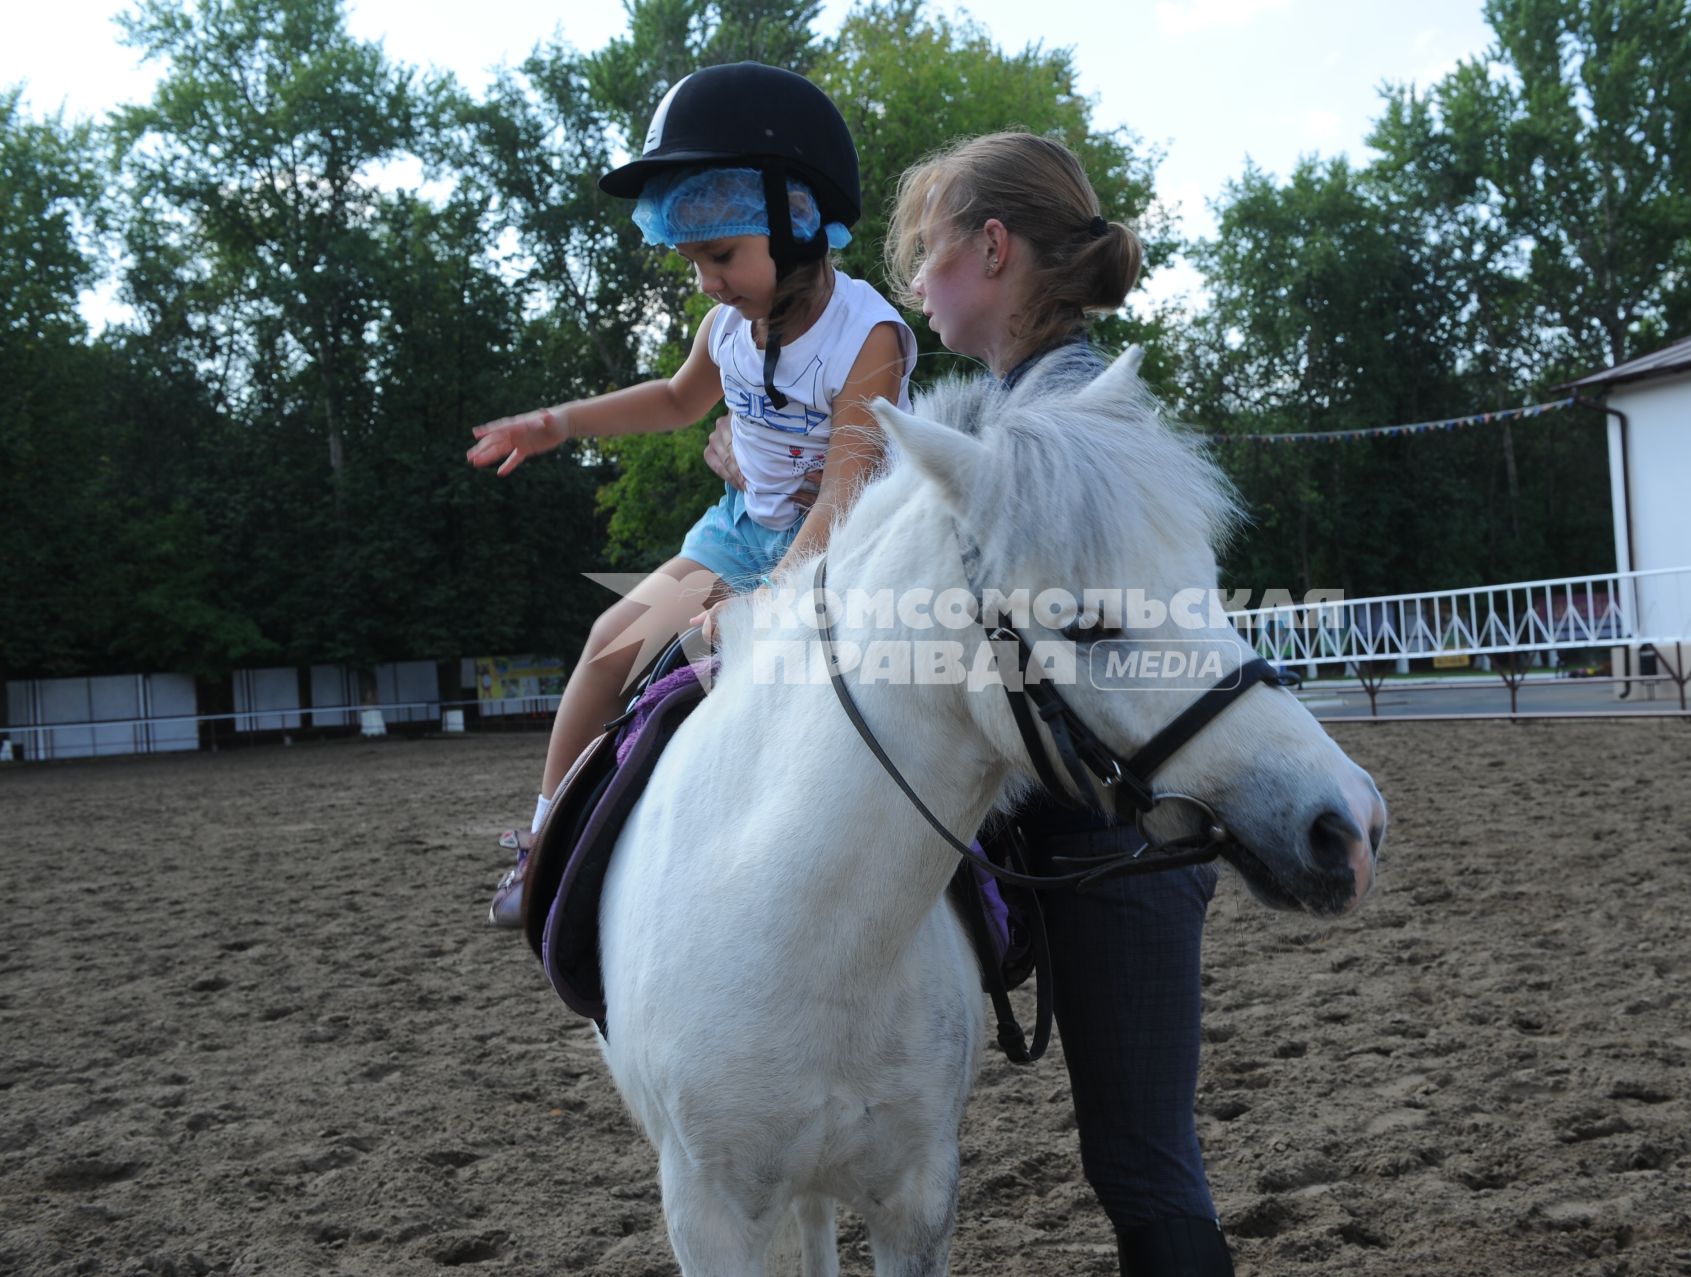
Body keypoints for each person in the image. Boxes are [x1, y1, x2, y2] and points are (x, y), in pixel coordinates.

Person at [704, 131, 1236, 1277]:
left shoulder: (1076, 424)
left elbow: (1120, 645)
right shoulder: (1002, 411)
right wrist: (762, 476)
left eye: (927, 250)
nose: (911, 282)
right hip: (996, 805)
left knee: (1141, 1159)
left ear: (991, 249)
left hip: (1110, 825)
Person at [468, 62, 915, 927]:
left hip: (840, 553)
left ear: (795, 222)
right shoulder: (728, 326)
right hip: (740, 533)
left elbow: (843, 498)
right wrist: (558, 423)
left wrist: (764, 604)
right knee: (609, 646)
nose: (708, 280)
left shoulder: (871, 340)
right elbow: (678, 400)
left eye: (721, 255)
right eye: (693, 262)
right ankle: (545, 844)